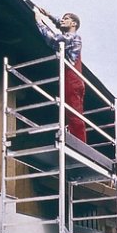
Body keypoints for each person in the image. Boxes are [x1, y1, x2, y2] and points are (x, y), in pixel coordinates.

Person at [34, 8, 87, 142]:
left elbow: (53, 39)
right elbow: (59, 23)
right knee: (70, 112)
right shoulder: (71, 36)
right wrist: (48, 15)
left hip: (73, 80)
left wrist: (39, 21)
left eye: (66, 18)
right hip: (71, 79)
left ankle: (79, 143)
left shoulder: (73, 37)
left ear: (74, 24)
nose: (62, 20)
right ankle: (75, 139)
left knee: (74, 113)